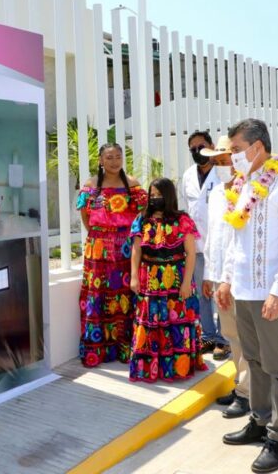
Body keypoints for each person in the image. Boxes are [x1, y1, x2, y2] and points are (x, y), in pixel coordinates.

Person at [216, 119, 278, 473]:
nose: (233, 156)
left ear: (258, 146)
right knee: (253, 361)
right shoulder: (243, 184)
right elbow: (234, 239)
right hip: (242, 288)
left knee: (277, 367)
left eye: (237, 149)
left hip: (269, 292)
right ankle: (259, 419)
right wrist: (226, 280)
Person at [128, 177, 207, 382]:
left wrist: (187, 282)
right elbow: (136, 251)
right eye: (152, 195)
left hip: (177, 277)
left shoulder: (182, 220)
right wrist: (135, 277)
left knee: (177, 322)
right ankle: (151, 367)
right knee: (151, 322)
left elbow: (190, 253)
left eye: (159, 195)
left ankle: (178, 366)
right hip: (150, 279)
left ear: (169, 196)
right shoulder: (141, 220)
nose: (155, 199)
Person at [76, 143, 147, 367]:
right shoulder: (91, 185)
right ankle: (98, 349)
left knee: (125, 294)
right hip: (98, 249)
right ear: (100, 161)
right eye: (109, 157)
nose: (114, 161)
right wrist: (101, 236)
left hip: (126, 248)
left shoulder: (133, 184)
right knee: (98, 294)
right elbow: (85, 217)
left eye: (118, 157)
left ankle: (125, 347)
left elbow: (144, 212)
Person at [200, 135, 251, 418]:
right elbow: (213, 237)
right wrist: (210, 275)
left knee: (244, 337)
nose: (220, 165)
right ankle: (241, 385)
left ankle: (246, 393)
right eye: (216, 161)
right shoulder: (218, 192)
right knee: (231, 335)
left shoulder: (250, 190)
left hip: (240, 278)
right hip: (220, 276)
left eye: (224, 160)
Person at [180, 131, 231, 360]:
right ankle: (208, 337)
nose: (197, 151)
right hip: (198, 247)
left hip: (221, 246)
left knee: (222, 295)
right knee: (203, 294)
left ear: (211, 146)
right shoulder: (188, 176)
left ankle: (223, 340)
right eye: (192, 148)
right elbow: (186, 208)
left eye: (201, 146)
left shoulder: (223, 173)